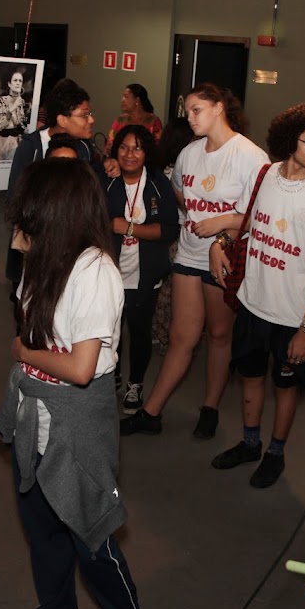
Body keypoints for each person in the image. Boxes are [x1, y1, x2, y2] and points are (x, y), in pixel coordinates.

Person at [0, 158, 157, 609]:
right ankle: (56, 607)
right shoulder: (39, 258)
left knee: (93, 540)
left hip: (78, 419)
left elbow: (82, 367)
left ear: (54, 213)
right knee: (41, 527)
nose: (18, 231)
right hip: (34, 415)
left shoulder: (94, 270)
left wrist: (24, 353)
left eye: (28, 217)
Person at [207, 104, 305, 488]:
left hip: (293, 317)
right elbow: (248, 225)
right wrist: (220, 243)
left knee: (286, 388)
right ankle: (250, 443)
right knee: (250, 377)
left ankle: (275, 453)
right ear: (289, 140)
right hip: (253, 303)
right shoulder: (265, 175)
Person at [120, 83, 269, 439]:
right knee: (181, 336)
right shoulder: (189, 152)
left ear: (219, 108)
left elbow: (261, 214)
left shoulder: (250, 156)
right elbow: (179, 192)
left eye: (196, 110)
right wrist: (197, 215)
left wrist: (223, 222)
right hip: (189, 252)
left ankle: (210, 408)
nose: (189, 117)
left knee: (218, 334)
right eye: (187, 111)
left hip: (225, 256)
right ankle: (151, 412)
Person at [101, 125, 177, 411]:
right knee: (110, 329)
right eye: (123, 147)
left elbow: (169, 229)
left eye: (137, 148)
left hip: (144, 273)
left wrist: (130, 228)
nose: (129, 154)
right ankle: (112, 376)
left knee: (139, 330)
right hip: (109, 272)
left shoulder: (158, 183)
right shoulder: (105, 179)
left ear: (147, 153)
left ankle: (136, 383)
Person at [4, 79, 97, 290]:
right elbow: (14, 198)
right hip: (35, 248)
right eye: (84, 115)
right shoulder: (31, 149)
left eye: (90, 113)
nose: (91, 120)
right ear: (62, 120)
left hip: (72, 248)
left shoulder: (85, 149)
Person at [151, 117, 197, 353]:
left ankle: (163, 335)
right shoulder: (177, 171)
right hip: (178, 232)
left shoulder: (162, 169)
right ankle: (166, 337)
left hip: (168, 233)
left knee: (168, 288)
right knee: (172, 290)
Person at [104, 83, 163, 155]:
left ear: (137, 100)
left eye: (126, 96)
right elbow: (109, 145)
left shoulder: (153, 121)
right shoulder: (120, 120)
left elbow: (158, 149)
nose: (122, 100)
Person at [0, 68, 30, 140]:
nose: (18, 83)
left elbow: (20, 125)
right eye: (15, 80)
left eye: (20, 81)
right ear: (9, 84)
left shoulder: (20, 102)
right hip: (1, 139)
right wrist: (13, 107)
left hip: (16, 138)